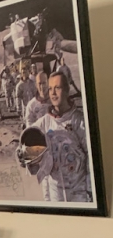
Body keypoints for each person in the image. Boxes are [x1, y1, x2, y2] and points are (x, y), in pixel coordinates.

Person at [17, 71, 91, 203]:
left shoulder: (79, 121)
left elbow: (92, 157)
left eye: (57, 88)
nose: (53, 93)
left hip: (79, 192)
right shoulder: (44, 123)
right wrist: (24, 155)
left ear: (67, 91)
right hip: (55, 192)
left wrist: (90, 189)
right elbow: (27, 144)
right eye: (50, 88)